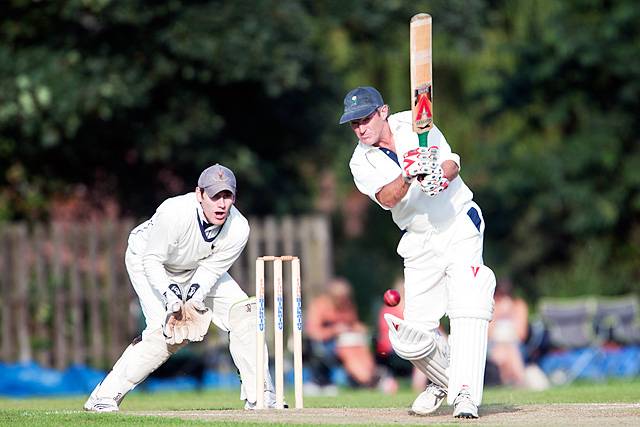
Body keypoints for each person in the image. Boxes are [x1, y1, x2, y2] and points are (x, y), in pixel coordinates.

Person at [339, 86, 496, 419]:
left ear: (382, 112)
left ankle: (465, 393)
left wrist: (439, 176)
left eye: (365, 119)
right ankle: (443, 381)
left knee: (468, 302)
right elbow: (386, 198)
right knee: (412, 337)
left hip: (457, 223)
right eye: (354, 124)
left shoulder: (415, 122)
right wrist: (408, 175)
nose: (361, 129)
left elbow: (452, 161)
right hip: (419, 239)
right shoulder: (359, 161)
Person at [84, 164, 277, 412]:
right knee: (165, 334)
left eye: (227, 196)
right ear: (199, 194)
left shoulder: (239, 228)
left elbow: (210, 271)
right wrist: (171, 298)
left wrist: (195, 299)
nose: (221, 204)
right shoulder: (174, 212)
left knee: (245, 312)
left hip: (196, 266)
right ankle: (104, 396)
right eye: (215, 196)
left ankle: (260, 396)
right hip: (149, 260)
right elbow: (152, 260)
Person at [305, 277, 377, 390]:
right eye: (340, 298)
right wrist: (334, 330)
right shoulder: (319, 306)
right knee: (349, 351)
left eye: (345, 298)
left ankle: (370, 375)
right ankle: (366, 379)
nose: (343, 301)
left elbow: (352, 323)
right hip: (326, 344)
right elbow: (313, 332)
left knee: (362, 348)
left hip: (347, 341)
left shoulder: (347, 305)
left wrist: (358, 328)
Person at [487, 277, 529, 387]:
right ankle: (519, 380)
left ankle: (506, 382)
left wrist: (511, 314)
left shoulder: (519, 305)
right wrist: (498, 314)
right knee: (503, 351)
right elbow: (488, 334)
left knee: (509, 350)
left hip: (515, 344)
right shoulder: (491, 305)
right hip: (494, 344)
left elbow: (521, 334)